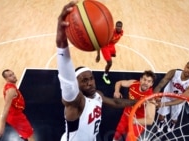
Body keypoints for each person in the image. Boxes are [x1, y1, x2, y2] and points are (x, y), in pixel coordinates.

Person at [56, 2, 137, 141]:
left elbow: (116, 103)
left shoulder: (97, 96)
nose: (89, 83)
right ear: (77, 85)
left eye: (90, 79)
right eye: (83, 81)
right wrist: (61, 44)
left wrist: (137, 102)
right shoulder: (76, 103)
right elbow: (67, 82)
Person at [154, 61, 189, 132]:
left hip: (178, 101)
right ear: (185, 66)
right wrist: (156, 97)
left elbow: (181, 99)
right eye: (188, 67)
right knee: (161, 115)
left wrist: (164, 104)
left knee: (174, 118)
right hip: (167, 96)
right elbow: (160, 85)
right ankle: (161, 122)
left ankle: (172, 124)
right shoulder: (173, 72)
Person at [112, 70, 157, 141]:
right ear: (140, 79)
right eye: (144, 79)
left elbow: (150, 120)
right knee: (117, 134)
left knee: (129, 139)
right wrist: (117, 91)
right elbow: (119, 83)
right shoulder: (134, 83)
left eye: (149, 81)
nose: (146, 83)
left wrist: (135, 121)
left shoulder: (150, 98)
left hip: (138, 121)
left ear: (151, 84)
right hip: (126, 114)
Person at [0, 69, 34, 141]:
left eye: (13, 74)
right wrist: (2, 127)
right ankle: (25, 133)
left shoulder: (8, 86)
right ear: (6, 79)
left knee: (23, 131)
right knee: (30, 135)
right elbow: (5, 109)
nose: (13, 76)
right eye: (10, 76)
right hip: (16, 117)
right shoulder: (11, 90)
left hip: (14, 114)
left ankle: (22, 133)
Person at [96, 20, 123, 85]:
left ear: (122, 27)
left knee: (114, 55)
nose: (118, 27)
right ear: (115, 26)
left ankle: (110, 55)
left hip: (111, 45)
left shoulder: (121, 32)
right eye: (117, 26)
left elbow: (115, 40)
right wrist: (98, 55)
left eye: (120, 26)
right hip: (105, 47)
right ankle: (105, 75)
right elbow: (100, 43)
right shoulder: (110, 33)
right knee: (110, 63)